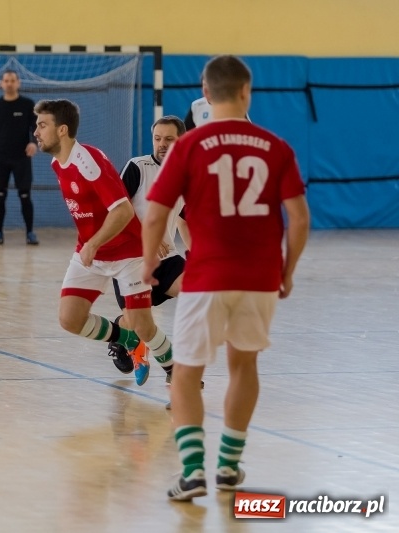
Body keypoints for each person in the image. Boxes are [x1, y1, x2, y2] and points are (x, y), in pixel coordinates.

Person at [141, 55, 310, 501]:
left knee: (185, 375)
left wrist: (146, 265)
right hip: (258, 276)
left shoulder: (189, 147)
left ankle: (193, 471)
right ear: (246, 92)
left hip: (207, 274)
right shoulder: (275, 146)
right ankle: (229, 467)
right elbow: (298, 217)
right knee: (244, 365)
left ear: (205, 92)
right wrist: (287, 271)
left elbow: (156, 212)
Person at [34, 98, 175, 386]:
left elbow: (122, 210)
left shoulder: (89, 162)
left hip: (127, 253)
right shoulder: (57, 163)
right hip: (91, 253)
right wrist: (90, 245)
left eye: (42, 125)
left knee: (144, 325)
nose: (36, 131)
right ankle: (127, 339)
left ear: (62, 130)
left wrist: (94, 243)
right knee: (70, 320)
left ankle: (177, 372)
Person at [105, 116, 192, 398]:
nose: (162, 144)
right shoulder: (137, 168)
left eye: (169, 139)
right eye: (158, 139)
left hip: (166, 259)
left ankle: (184, 367)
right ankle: (123, 338)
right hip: (130, 259)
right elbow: (115, 212)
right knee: (137, 321)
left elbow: (184, 219)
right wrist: (147, 237)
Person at [0, 70, 38, 245]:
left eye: (12, 80)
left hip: (22, 158)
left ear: (18, 83)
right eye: (6, 80)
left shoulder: (28, 105)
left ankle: (30, 232)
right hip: (0, 158)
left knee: (25, 195)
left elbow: (36, 129)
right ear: (1, 84)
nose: (9, 83)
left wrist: (33, 143)